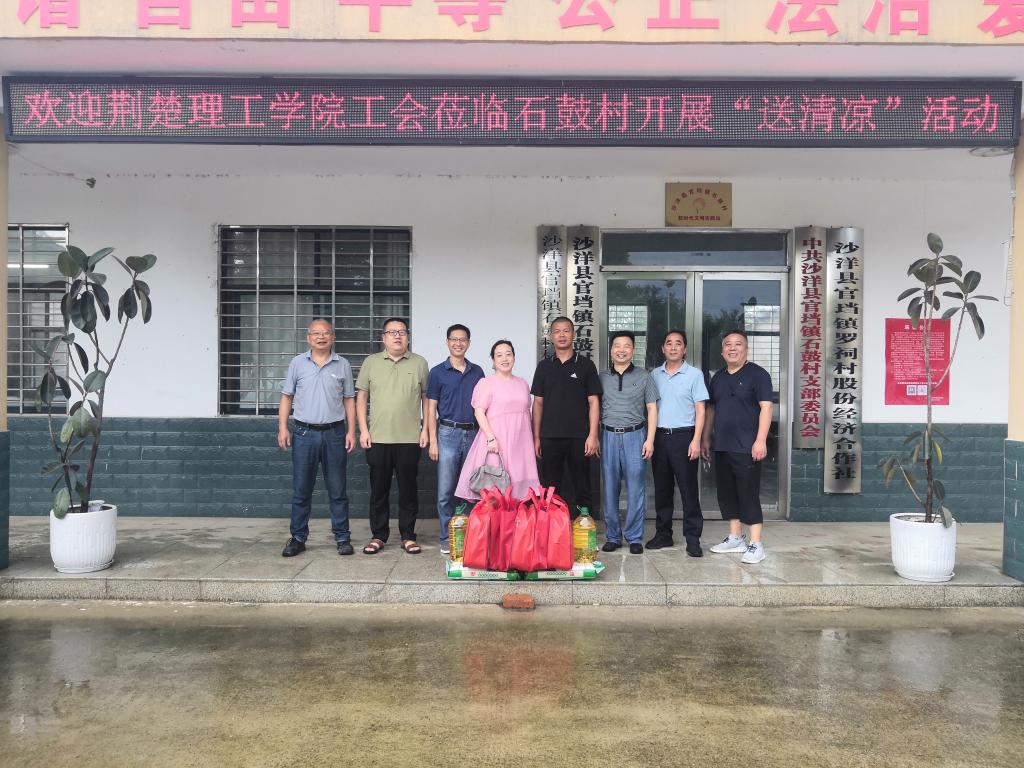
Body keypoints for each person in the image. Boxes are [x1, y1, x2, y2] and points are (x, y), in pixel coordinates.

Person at [278, 319, 357, 557]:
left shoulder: (342, 364)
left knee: (338, 490)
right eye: (316, 333)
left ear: (333, 337)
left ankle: (342, 537)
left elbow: (349, 399)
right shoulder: (297, 363)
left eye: (326, 333)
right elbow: (287, 397)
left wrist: (351, 431)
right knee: (301, 489)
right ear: (308, 338)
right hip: (304, 433)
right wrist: (283, 427)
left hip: (335, 433)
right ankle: (298, 538)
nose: (321, 337)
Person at [356, 317, 429, 555]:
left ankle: (408, 536)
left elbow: (427, 399)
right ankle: (378, 535)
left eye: (402, 332)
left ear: (408, 337)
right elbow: (361, 397)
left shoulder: (419, 363)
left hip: (410, 438)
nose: (397, 336)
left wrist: (425, 429)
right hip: (378, 438)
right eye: (392, 332)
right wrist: (363, 429)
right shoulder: (371, 362)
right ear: (383, 337)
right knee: (379, 490)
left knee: (408, 490)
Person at [701, 330, 774, 564]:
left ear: (746, 349)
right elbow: (711, 409)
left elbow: (766, 408)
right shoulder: (718, 378)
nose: (733, 348)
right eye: (728, 345)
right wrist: (706, 438)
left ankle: (756, 543)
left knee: (748, 493)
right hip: (722, 445)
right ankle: (735, 537)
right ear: (722, 351)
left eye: (738, 344)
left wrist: (760, 440)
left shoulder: (758, 375)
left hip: (747, 446)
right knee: (727, 493)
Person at [531, 317, 602, 516]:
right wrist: (536, 437)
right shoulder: (544, 366)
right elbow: (538, 404)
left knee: (582, 484)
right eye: (557, 331)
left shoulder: (586, 365)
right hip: (550, 437)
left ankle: (584, 526)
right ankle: (553, 526)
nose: (561, 335)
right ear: (551, 336)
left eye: (566, 331)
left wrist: (593, 435)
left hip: (579, 437)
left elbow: (594, 402)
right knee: (550, 487)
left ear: (574, 334)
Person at [649, 330, 709, 557]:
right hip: (660, 437)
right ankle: (663, 534)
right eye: (669, 343)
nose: (673, 347)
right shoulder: (654, 374)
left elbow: (701, 410)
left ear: (685, 349)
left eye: (678, 344)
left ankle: (693, 539)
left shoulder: (694, 375)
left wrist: (696, 440)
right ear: (663, 348)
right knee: (662, 490)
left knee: (688, 489)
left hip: (684, 437)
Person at [455, 340, 540, 501]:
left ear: (514, 357)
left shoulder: (522, 383)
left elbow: (526, 412)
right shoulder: (486, 383)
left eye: (508, 354)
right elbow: (479, 411)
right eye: (499, 355)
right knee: (496, 489)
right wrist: (490, 438)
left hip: (521, 444)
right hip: (497, 442)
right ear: (493, 360)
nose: (504, 359)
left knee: (519, 491)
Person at [599, 331, 659, 555]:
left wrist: (650, 440)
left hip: (635, 436)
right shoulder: (602, 377)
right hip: (608, 436)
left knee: (636, 488)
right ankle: (613, 536)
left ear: (633, 350)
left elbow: (652, 409)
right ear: (611, 350)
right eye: (617, 345)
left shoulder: (645, 377)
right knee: (609, 488)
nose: (621, 350)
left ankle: (634, 537)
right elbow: (593, 408)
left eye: (626, 346)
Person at [426, 324, 485, 555]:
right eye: (454, 339)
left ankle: (469, 537)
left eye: (463, 339)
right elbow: (430, 408)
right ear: (447, 342)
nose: (458, 343)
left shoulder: (477, 372)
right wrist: (433, 441)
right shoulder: (437, 372)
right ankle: (446, 537)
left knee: (471, 489)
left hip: (473, 433)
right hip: (447, 433)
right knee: (446, 490)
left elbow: (483, 405)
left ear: (468, 343)